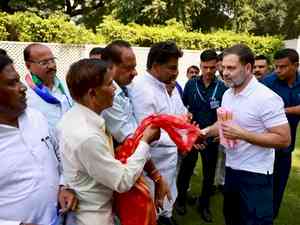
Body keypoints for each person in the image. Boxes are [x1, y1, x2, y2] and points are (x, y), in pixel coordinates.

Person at [57, 58, 160, 225]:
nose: (114, 89)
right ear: (92, 93)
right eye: (110, 83)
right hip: (95, 216)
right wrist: (145, 142)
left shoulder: (75, 118)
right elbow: (122, 181)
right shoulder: (86, 136)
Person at [203, 44, 291, 225]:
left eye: (231, 68)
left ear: (248, 68)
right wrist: (203, 132)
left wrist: (243, 135)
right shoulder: (228, 93)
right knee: (232, 219)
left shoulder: (267, 98)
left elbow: (284, 139)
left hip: (256, 176)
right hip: (231, 170)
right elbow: (223, 123)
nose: (224, 73)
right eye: (224, 67)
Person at [0, 55, 77, 225]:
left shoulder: (35, 117)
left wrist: (64, 185)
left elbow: (60, 154)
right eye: (12, 83)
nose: (22, 88)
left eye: (19, 80)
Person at [101, 40, 171, 211]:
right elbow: (130, 139)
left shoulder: (125, 88)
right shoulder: (110, 97)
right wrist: (156, 176)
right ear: (110, 67)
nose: (134, 73)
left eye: (134, 66)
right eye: (128, 68)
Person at [129, 41, 184, 225]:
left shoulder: (162, 85)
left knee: (164, 212)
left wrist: (185, 127)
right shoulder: (144, 90)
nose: (175, 72)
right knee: (152, 215)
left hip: (168, 164)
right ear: (155, 66)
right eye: (171, 68)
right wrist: (183, 138)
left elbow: (172, 119)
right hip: (153, 169)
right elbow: (148, 134)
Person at [178, 49, 227, 222]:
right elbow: (183, 108)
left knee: (209, 173)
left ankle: (204, 205)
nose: (208, 71)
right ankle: (181, 200)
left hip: (211, 138)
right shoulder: (191, 84)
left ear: (217, 66)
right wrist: (188, 125)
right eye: (205, 67)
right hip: (192, 136)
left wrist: (219, 133)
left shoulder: (222, 87)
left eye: (212, 68)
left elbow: (225, 115)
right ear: (200, 65)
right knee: (186, 170)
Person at [262, 48, 300, 219]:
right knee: (261, 186)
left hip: (286, 147)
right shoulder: (267, 83)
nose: (278, 70)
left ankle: (271, 217)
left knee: (278, 187)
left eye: (283, 67)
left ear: (296, 66)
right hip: (265, 146)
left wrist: (281, 110)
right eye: (276, 66)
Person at [23, 43, 72, 131]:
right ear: (28, 66)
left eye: (52, 60)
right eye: (44, 63)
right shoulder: (24, 93)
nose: (51, 66)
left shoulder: (65, 85)